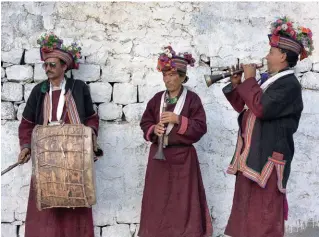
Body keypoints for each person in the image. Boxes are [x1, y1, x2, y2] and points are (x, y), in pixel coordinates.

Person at [223, 17, 313, 237]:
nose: (266, 56)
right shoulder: (269, 81)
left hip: (268, 161)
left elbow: (261, 108)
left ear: (283, 56)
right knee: (246, 215)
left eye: (271, 52)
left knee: (263, 218)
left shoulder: (289, 85)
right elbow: (244, 107)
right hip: (252, 155)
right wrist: (238, 84)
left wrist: (250, 79)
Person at [17, 32, 102, 237]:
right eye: (45, 65)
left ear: (64, 66)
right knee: (46, 201)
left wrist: (90, 136)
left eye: (52, 65)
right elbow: (27, 124)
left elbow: (91, 118)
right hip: (46, 156)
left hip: (73, 157)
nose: (48, 69)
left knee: (75, 198)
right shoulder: (39, 91)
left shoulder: (78, 88)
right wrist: (26, 147)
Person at [138, 46, 213, 237]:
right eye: (165, 75)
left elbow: (200, 127)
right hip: (158, 158)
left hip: (183, 160)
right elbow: (145, 121)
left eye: (172, 75)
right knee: (158, 201)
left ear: (182, 77)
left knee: (183, 203)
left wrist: (178, 120)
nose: (168, 79)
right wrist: (153, 129)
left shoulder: (192, 100)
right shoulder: (157, 100)